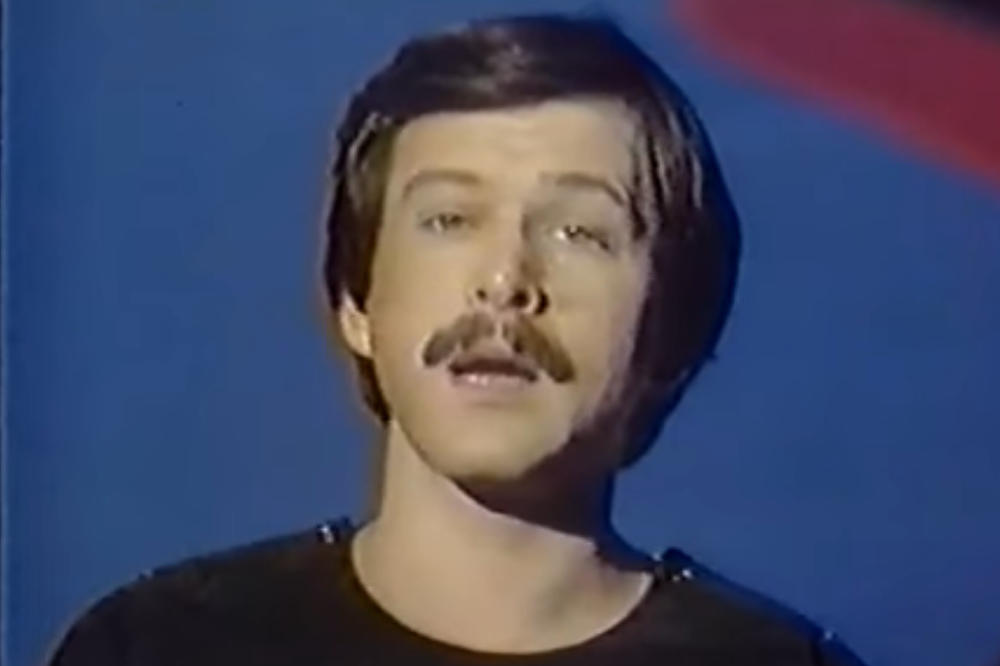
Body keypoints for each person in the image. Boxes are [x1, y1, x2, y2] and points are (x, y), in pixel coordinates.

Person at [48, 14, 864, 666]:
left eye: (580, 232)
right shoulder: (162, 647)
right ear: (357, 302)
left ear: (671, 333)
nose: (504, 281)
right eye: (449, 219)